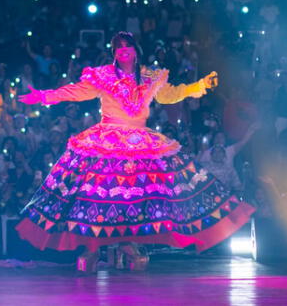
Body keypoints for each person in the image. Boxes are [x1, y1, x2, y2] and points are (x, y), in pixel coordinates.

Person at [16, 32, 255, 272]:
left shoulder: (151, 77)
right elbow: (76, 91)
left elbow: (170, 94)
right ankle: (93, 247)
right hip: (106, 141)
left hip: (139, 142)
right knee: (102, 195)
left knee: (130, 196)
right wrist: (44, 96)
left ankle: (127, 244)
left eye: (127, 45)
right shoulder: (104, 76)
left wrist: (199, 86)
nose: (123, 50)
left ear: (135, 49)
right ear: (113, 53)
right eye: (117, 47)